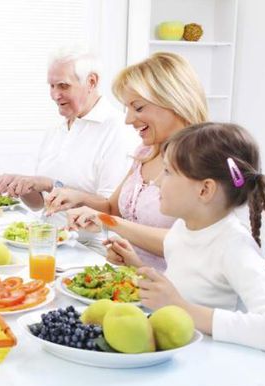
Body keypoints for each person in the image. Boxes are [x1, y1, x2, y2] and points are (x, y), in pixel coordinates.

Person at [106, 123, 265, 357]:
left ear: (205, 190)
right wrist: (136, 265)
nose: (156, 182)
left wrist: (182, 308)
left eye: (168, 172)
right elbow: (190, 286)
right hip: (178, 354)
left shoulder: (234, 246)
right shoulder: (184, 228)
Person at [66, 52, 208, 271]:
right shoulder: (146, 152)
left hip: (172, 292)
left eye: (138, 107)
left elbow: (192, 243)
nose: (128, 119)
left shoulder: (203, 161)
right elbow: (113, 208)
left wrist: (110, 222)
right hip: (129, 279)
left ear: (175, 101)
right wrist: (75, 198)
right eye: (128, 109)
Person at [0, 47, 136, 211]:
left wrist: (50, 185)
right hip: (49, 233)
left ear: (91, 82)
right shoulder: (56, 129)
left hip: (89, 237)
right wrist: (23, 184)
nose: (54, 95)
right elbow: (40, 205)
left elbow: (112, 209)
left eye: (63, 86)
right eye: (52, 85)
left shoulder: (118, 129)